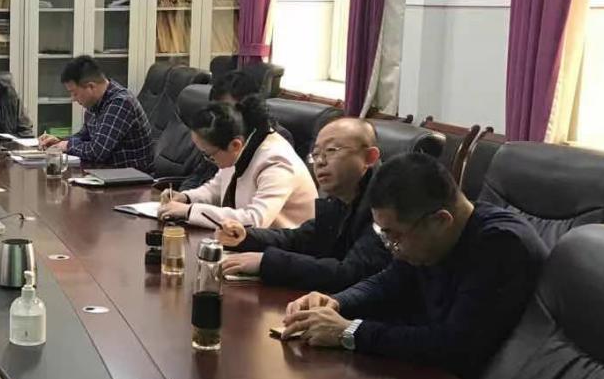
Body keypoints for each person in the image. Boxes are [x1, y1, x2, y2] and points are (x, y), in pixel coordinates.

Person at [281, 152, 547, 379]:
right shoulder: (435, 235)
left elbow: (453, 346)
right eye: (383, 234)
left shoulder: (501, 246)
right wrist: (337, 303)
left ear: (440, 221)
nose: (391, 247)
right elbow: (390, 280)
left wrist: (349, 332)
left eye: (394, 236)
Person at [217, 117, 391, 290]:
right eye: (315, 154)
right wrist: (246, 237)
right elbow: (300, 239)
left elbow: (351, 273)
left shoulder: (386, 206)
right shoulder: (340, 198)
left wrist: (266, 262)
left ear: (369, 157)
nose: (320, 162)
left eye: (331, 150)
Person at [158, 97, 316, 230]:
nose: (208, 160)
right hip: (248, 242)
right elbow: (217, 188)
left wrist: (189, 211)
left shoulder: (276, 162)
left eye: (208, 155)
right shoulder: (241, 144)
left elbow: (254, 221)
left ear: (235, 145)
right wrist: (186, 198)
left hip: (284, 250)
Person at [39, 55, 154, 171]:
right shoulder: (95, 103)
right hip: (106, 172)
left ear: (91, 87)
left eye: (74, 93)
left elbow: (97, 151)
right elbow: (84, 136)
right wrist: (60, 141)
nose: (73, 99)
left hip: (131, 178)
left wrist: (67, 145)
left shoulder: (120, 103)